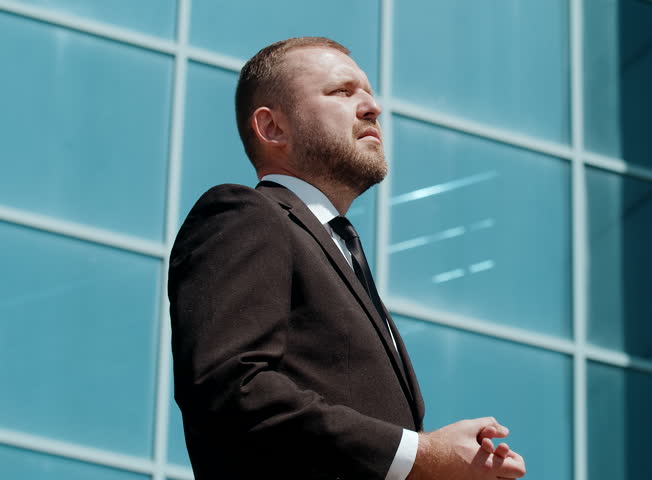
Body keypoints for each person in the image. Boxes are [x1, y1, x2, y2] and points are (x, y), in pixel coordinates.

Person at [168, 36, 526, 480]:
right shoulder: (246, 215)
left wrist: (441, 468)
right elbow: (229, 388)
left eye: (370, 94)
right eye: (342, 92)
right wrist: (418, 455)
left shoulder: (342, 254)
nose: (372, 108)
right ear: (272, 127)